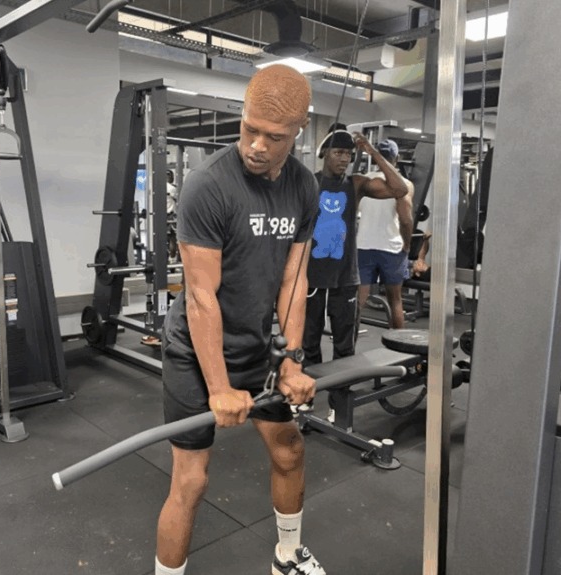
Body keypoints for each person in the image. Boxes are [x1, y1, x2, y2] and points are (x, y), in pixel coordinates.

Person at [156, 64, 325, 575]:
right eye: (249, 128)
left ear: (299, 130)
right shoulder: (208, 186)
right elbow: (200, 297)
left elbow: (294, 280)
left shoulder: (303, 186)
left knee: (290, 449)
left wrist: (292, 361)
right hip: (195, 352)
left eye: (274, 137)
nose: (256, 145)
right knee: (191, 481)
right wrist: (219, 388)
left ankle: (287, 557)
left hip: (254, 347)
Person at [303, 128, 411, 367]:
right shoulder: (310, 182)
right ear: (324, 153)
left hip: (345, 277)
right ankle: (309, 388)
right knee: (308, 343)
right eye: (338, 152)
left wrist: (373, 152)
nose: (344, 159)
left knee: (345, 346)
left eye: (348, 154)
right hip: (312, 275)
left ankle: (341, 391)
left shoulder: (356, 184)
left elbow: (400, 189)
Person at [356, 139, 416, 329]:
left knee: (357, 301)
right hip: (392, 248)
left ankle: (347, 342)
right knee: (395, 301)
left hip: (363, 246)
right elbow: (406, 220)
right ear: (396, 158)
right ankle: (399, 344)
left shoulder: (363, 182)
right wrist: (407, 245)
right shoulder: (405, 184)